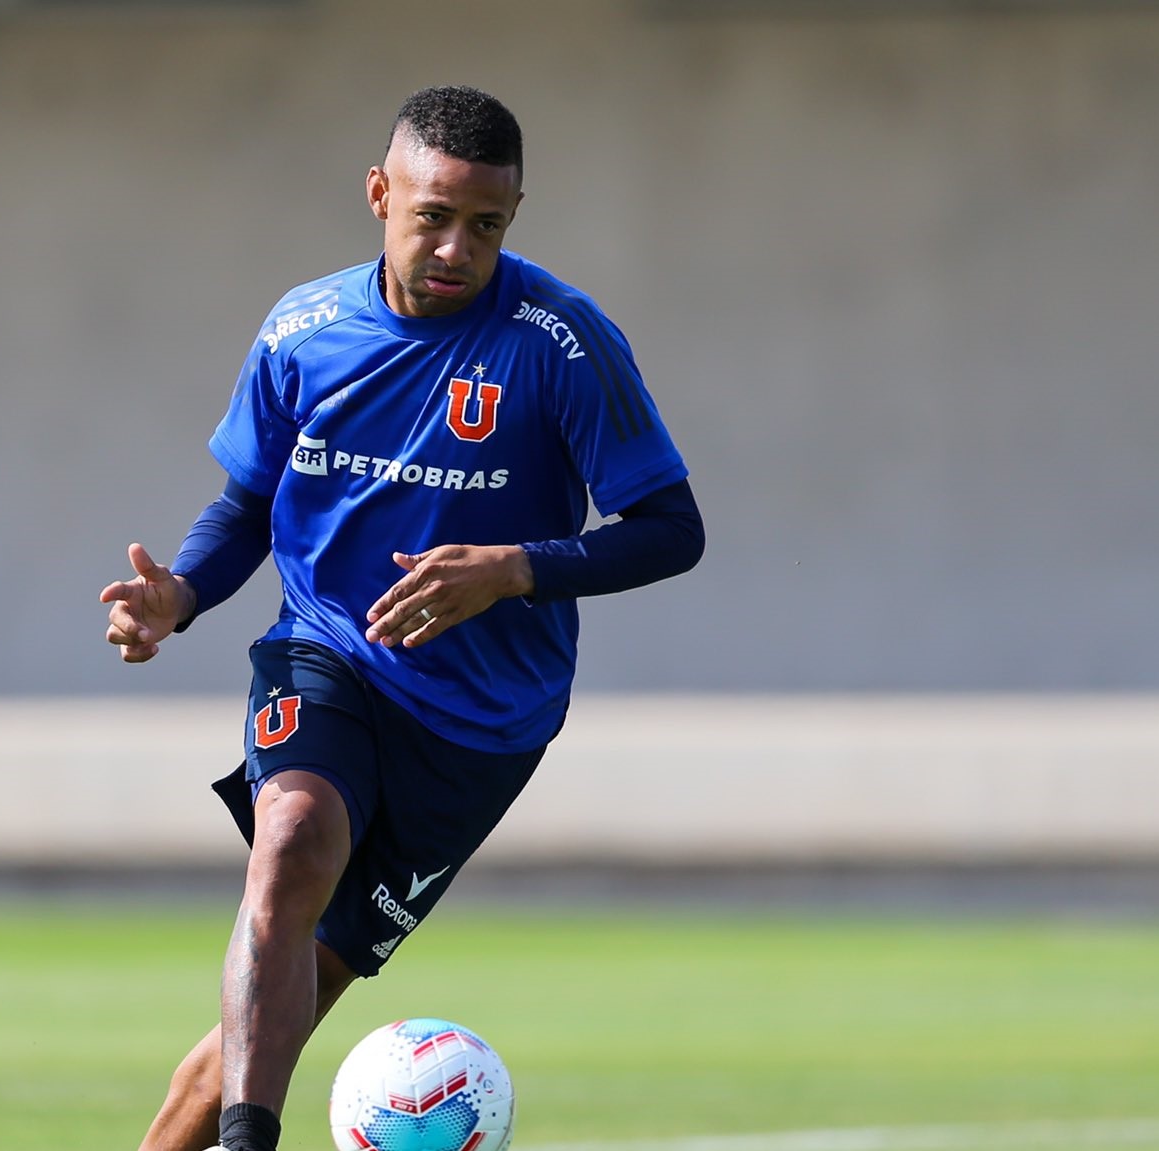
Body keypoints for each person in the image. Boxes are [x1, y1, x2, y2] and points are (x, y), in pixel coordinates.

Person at [100, 85, 704, 1151]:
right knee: (291, 842)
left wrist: (514, 570)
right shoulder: (304, 329)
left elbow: (670, 529)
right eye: (433, 216)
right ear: (380, 194)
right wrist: (180, 595)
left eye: (486, 224)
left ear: (515, 216)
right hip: (327, 653)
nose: (456, 248)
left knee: (279, 1007)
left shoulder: (561, 343)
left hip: (481, 724)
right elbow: (247, 504)